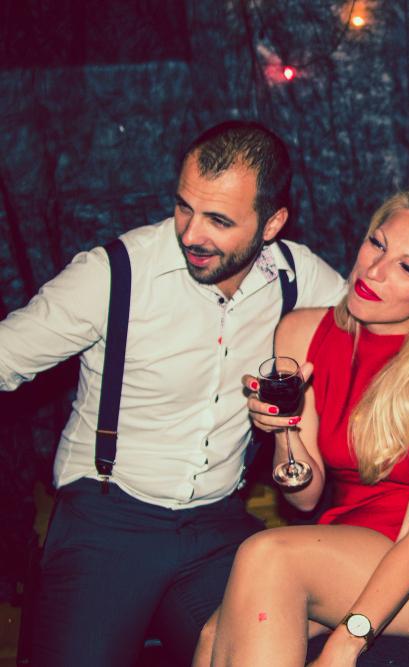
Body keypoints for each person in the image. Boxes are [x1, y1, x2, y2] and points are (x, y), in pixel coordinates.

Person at [0, 120, 347, 667]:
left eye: (219, 220)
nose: (190, 234)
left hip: (217, 524)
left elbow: (383, 337)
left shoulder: (296, 277)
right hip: (106, 516)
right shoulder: (115, 273)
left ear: (273, 223)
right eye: (185, 207)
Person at [198, 191, 409, 667]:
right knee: (213, 636)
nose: (375, 270)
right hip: (346, 541)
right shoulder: (302, 332)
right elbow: (304, 498)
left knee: (268, 555)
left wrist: (347, 641)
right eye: (377, 243)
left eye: (408, 268)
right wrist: (284, 429)